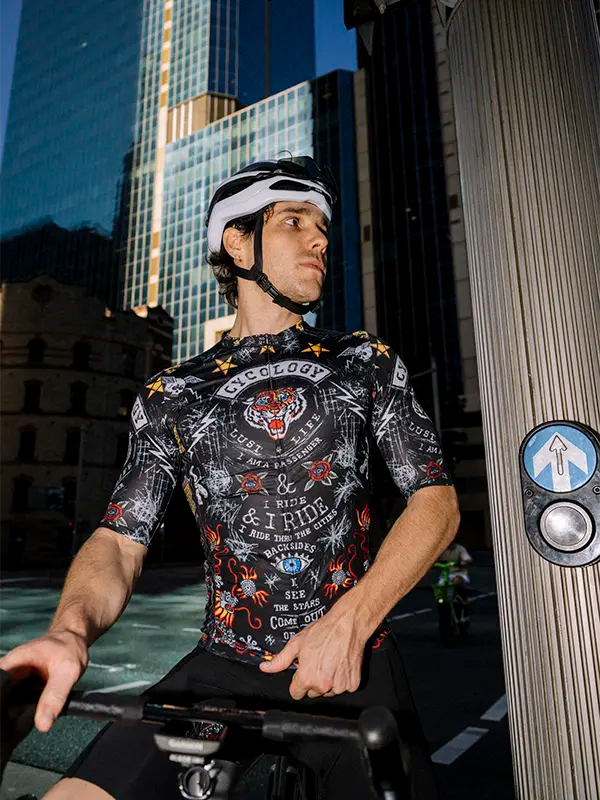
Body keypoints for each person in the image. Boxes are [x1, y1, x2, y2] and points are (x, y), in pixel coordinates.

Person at [0, 156, 460, 800]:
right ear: (237, 244)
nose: (320, 239)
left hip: (354, 658)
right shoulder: (174, 393)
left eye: (323, 227)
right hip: (224, 666)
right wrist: (69, 631)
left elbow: (436, 502)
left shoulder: (363, 359)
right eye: (294, 221)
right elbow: (120, 542)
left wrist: (351, 623)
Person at [437, 540, 473, 606]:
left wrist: (464, 561)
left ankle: (464, 599)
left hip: (459, 573)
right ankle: (442, 606)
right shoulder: (441, 549)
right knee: (439, 589)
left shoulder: (460, 548)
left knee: (457, 581)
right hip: (445, 574)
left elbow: (467, 558)